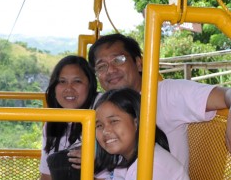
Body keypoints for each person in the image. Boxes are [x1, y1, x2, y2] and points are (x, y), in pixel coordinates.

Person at [88, 33, 231, 169]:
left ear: (138, 63)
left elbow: (227, 94)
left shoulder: (166, 93)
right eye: (102, 66)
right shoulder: (103, 106)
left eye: (118, 60)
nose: (111, 70)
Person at [94, 87, 196, 180]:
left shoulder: (153, 165)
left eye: (114, 121)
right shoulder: (123, 162)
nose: (106, 131)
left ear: (136, 123)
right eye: (99, 125)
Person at [23, 55, 100, 180]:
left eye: (77, 81)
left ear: (90, 85)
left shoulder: (102, 113)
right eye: (62, 82)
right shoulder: (54, 122)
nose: (68, 88)